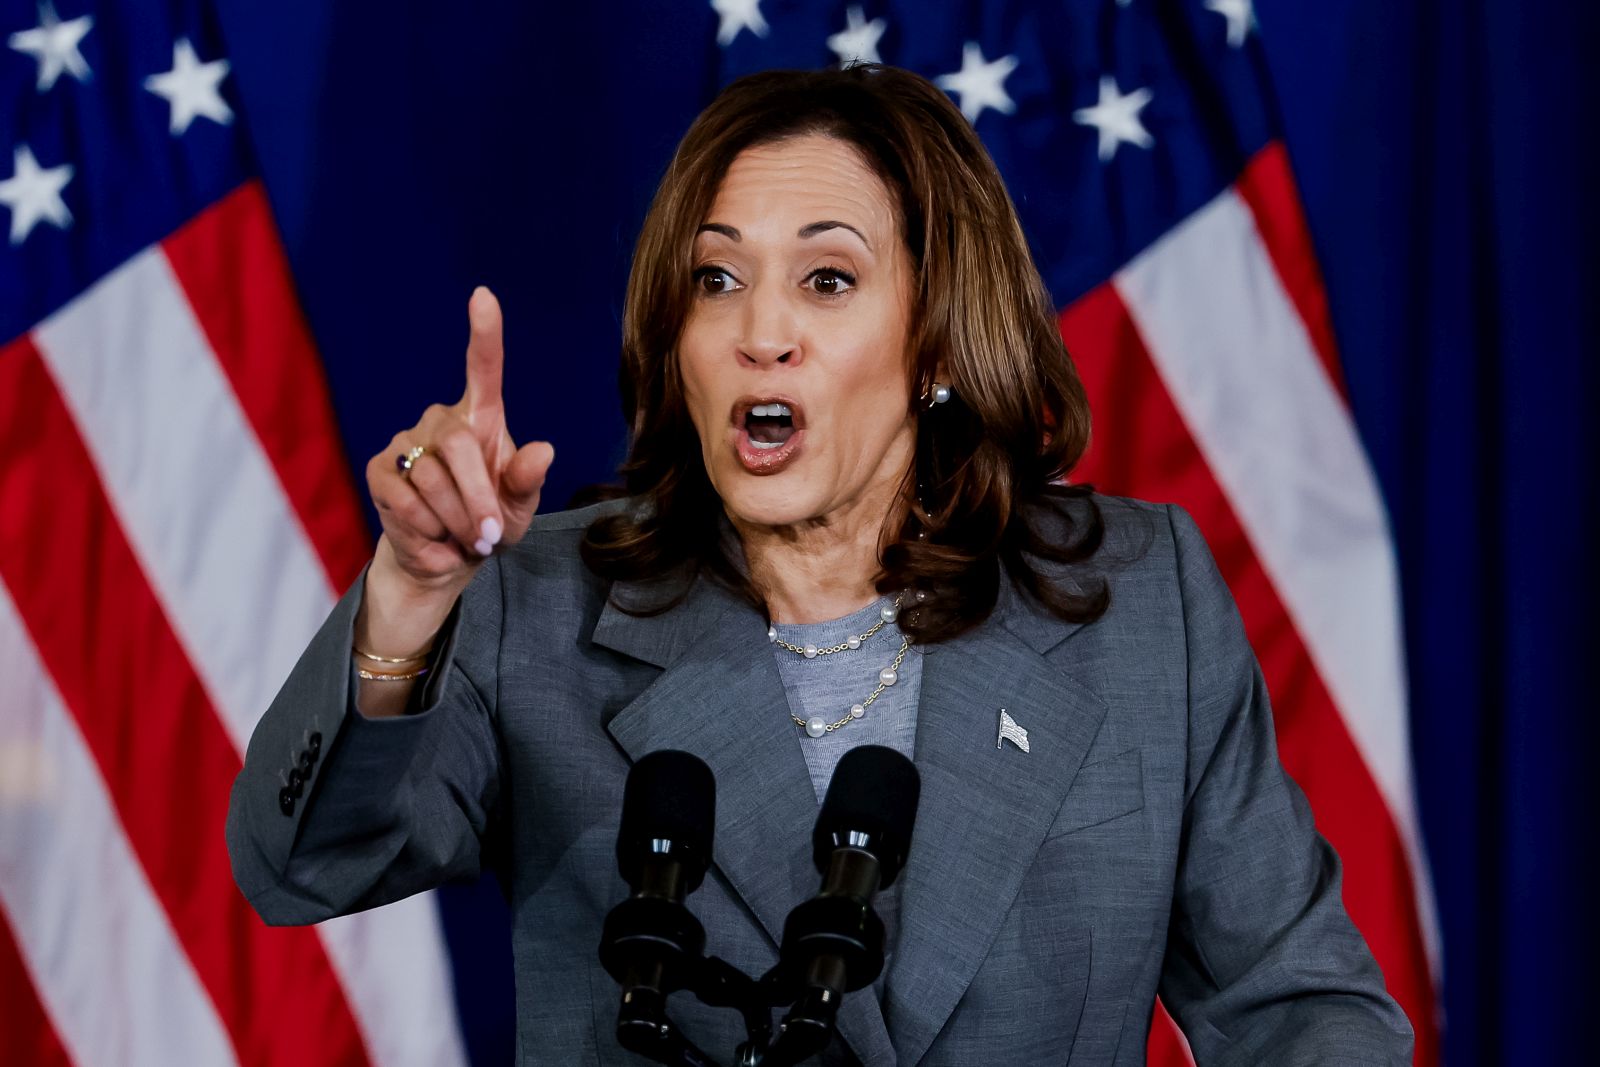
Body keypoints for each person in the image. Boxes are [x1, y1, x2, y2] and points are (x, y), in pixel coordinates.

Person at [226, 64, 1413, 1065]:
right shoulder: (538, 601)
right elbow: (304, 861)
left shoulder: (1138, 602)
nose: (760, 330)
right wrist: (415, 589)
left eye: (828, 279)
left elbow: (1301, 1007)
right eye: (717, 278)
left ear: (936, 337)